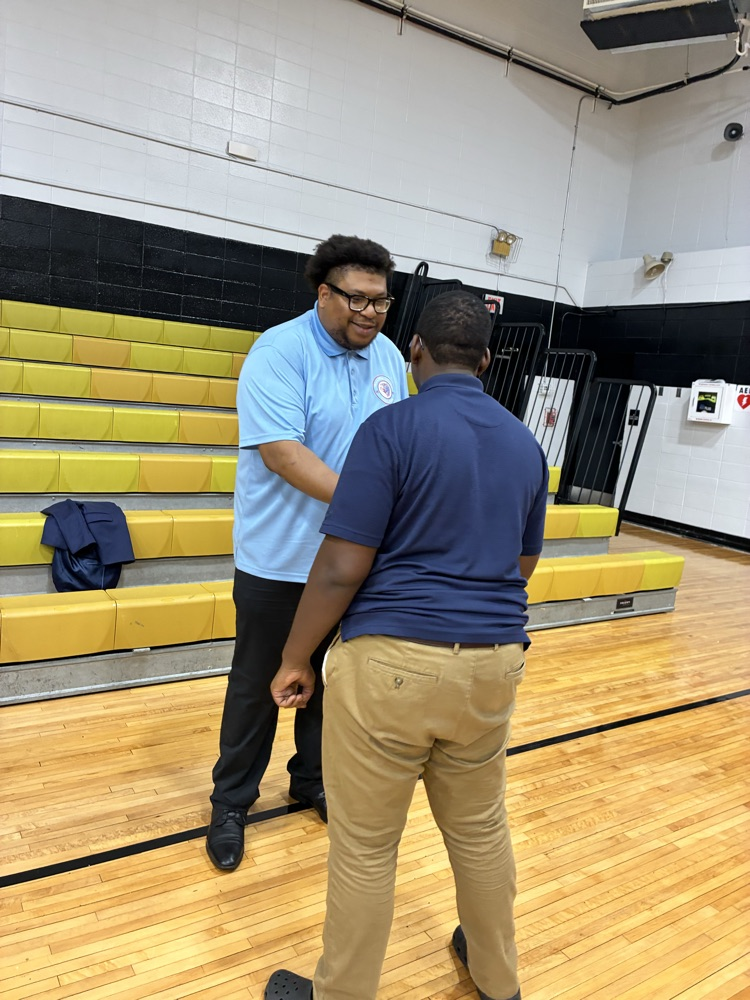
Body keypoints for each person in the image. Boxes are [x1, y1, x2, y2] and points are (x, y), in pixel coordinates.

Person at [264, 290, 548, 1000]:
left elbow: (340, 565)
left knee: (365, 849)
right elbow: (521, 567)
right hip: (493, 661)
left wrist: (297, 656)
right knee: (481, 830)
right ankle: (497, 977)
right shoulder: (525, 443)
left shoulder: (391, 430)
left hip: (392, 661)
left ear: (414, 352)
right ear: (486, 361)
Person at [206, 235, 408, 873]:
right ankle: (231, 801)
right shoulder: (279, 350)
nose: (370, 313)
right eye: (357, 299)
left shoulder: (390, 357)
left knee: (331, 684)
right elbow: (282, 453)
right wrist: (367, 507)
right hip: (279, 558)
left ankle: (310, 780)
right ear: (323, 293)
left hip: (352, 561)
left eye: (380, 301)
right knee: (257, 687)